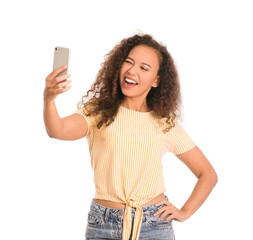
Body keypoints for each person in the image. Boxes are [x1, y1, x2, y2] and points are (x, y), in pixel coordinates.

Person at [43, 33, 218, 240]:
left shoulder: (164, 123)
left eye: (144, 68)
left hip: (154, 224)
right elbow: (58, 130)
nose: (132, 71)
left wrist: (184, 212)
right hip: (103, 224)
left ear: (156, 81)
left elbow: (207, 174)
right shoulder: (98, 112)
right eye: (128, 62)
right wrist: (49, 99)